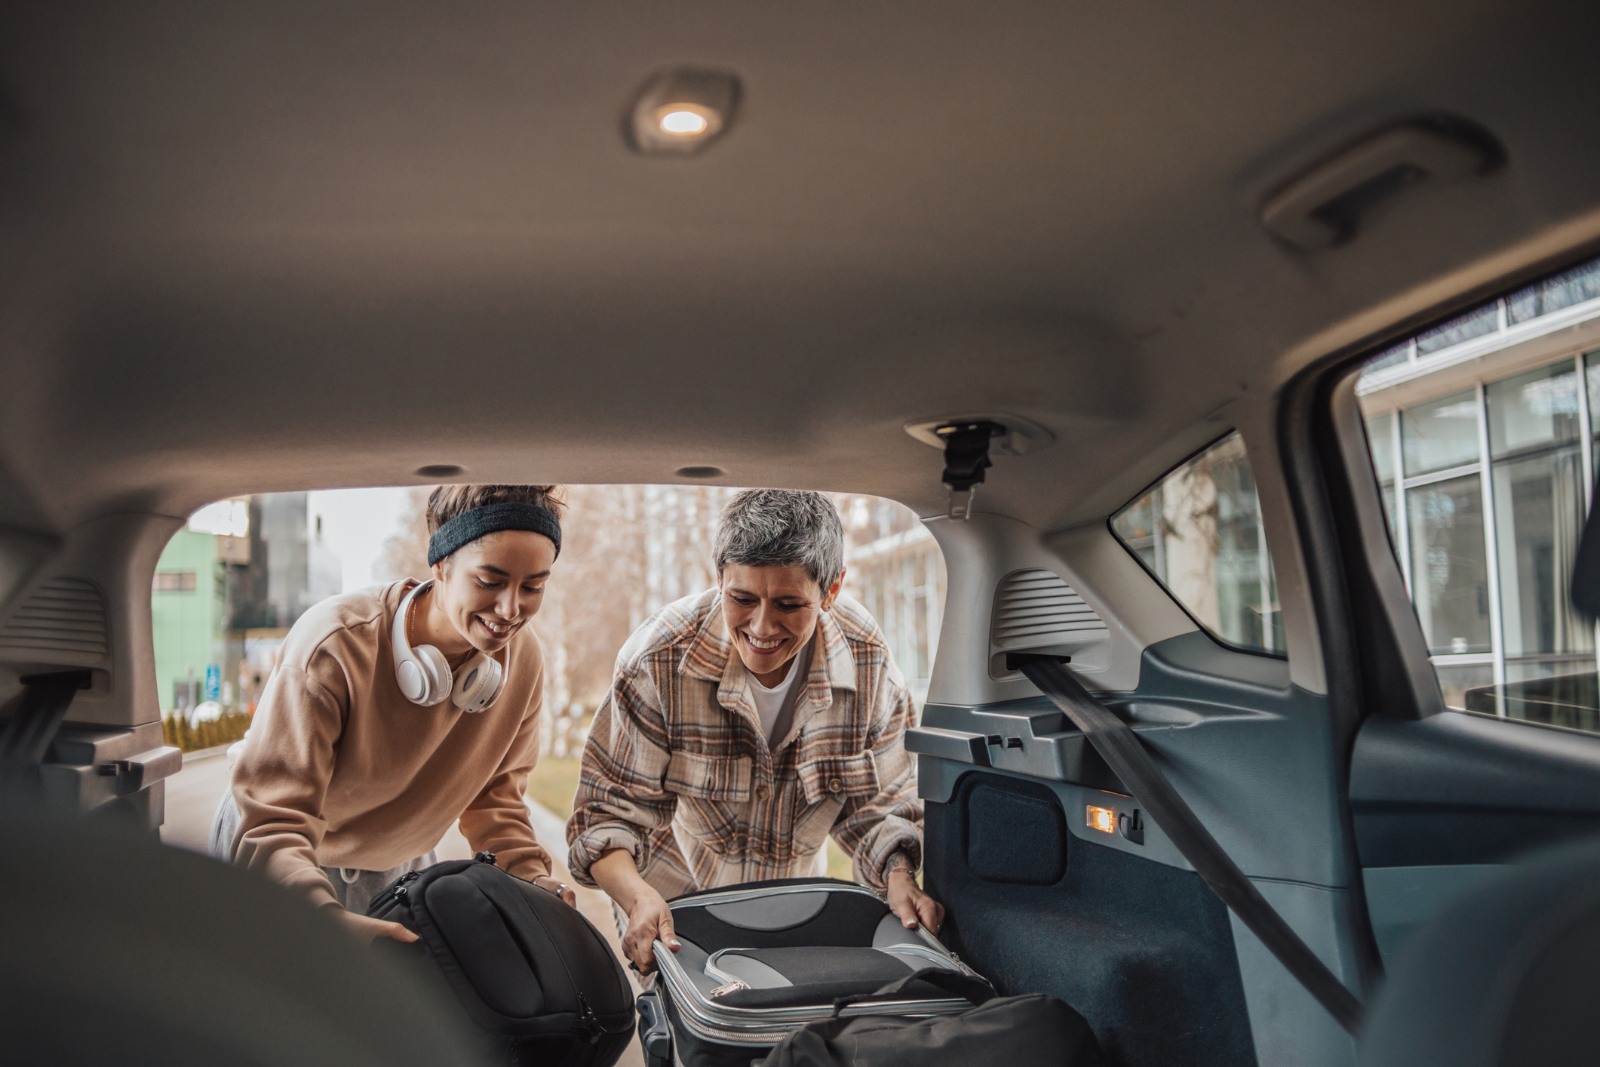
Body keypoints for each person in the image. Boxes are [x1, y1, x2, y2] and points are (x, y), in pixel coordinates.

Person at [567, 489, 943, 973]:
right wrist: (637, 898)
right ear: (718, 577)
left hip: (796, 905)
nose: (762, 627)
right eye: (742, 598)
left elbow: (881, 805)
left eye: (789, 604)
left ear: (831, 590)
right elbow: (604, 817)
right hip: (672, 904)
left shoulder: (867, 658)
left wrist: (900, 877)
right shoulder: (657, 659)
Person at [211, 484, 576, 943]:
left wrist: (533, 885)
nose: (510, 608)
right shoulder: (335, 646)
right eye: (489, 581)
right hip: (279, 854)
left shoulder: (522, 661)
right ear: (440, 566)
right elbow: (273, 817)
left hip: (396, 864)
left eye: (533, 587)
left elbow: (495, 803)